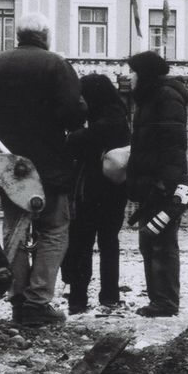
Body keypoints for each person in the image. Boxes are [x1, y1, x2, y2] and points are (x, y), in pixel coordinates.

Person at [0, 12, 84, 327]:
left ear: (18, 35)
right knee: (53, 230)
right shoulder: (56, 64)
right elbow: (73, 115)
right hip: (49, 165)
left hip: (10, 166)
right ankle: (38, 301)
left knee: (14, 230)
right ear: (45, 35)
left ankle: (18, 299)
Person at [124, 50, 188, 317]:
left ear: (145, 73)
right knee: (149, 242)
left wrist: (166, 184)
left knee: (161, 243)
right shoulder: (149, 98)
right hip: (151, 183)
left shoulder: (165, 96)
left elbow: (174, 144)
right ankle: (158, 299)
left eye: (132, 71)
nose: (128, 77)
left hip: (163, 186)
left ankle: (165, 302)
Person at [62, 74, 132, 314]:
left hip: (93, 192)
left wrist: (72, 136)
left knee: (83, 243)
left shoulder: (107, 118)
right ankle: (109, 296)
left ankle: (79, 299)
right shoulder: (118, 115)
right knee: (108, 243)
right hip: (114, 191)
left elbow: (81, 142)